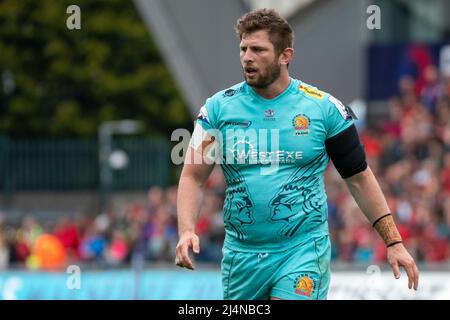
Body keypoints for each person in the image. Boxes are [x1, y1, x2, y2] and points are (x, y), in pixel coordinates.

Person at [175, 8, 419, 300]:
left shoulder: (323, 109)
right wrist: (186, 230)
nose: (247, 57)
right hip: (242, 256)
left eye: (258, 49)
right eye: (243, 48)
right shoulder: (218, 109)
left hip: (302, 250)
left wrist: (393, 241)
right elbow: (192, 176)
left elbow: (359, 178)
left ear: (285, 55)